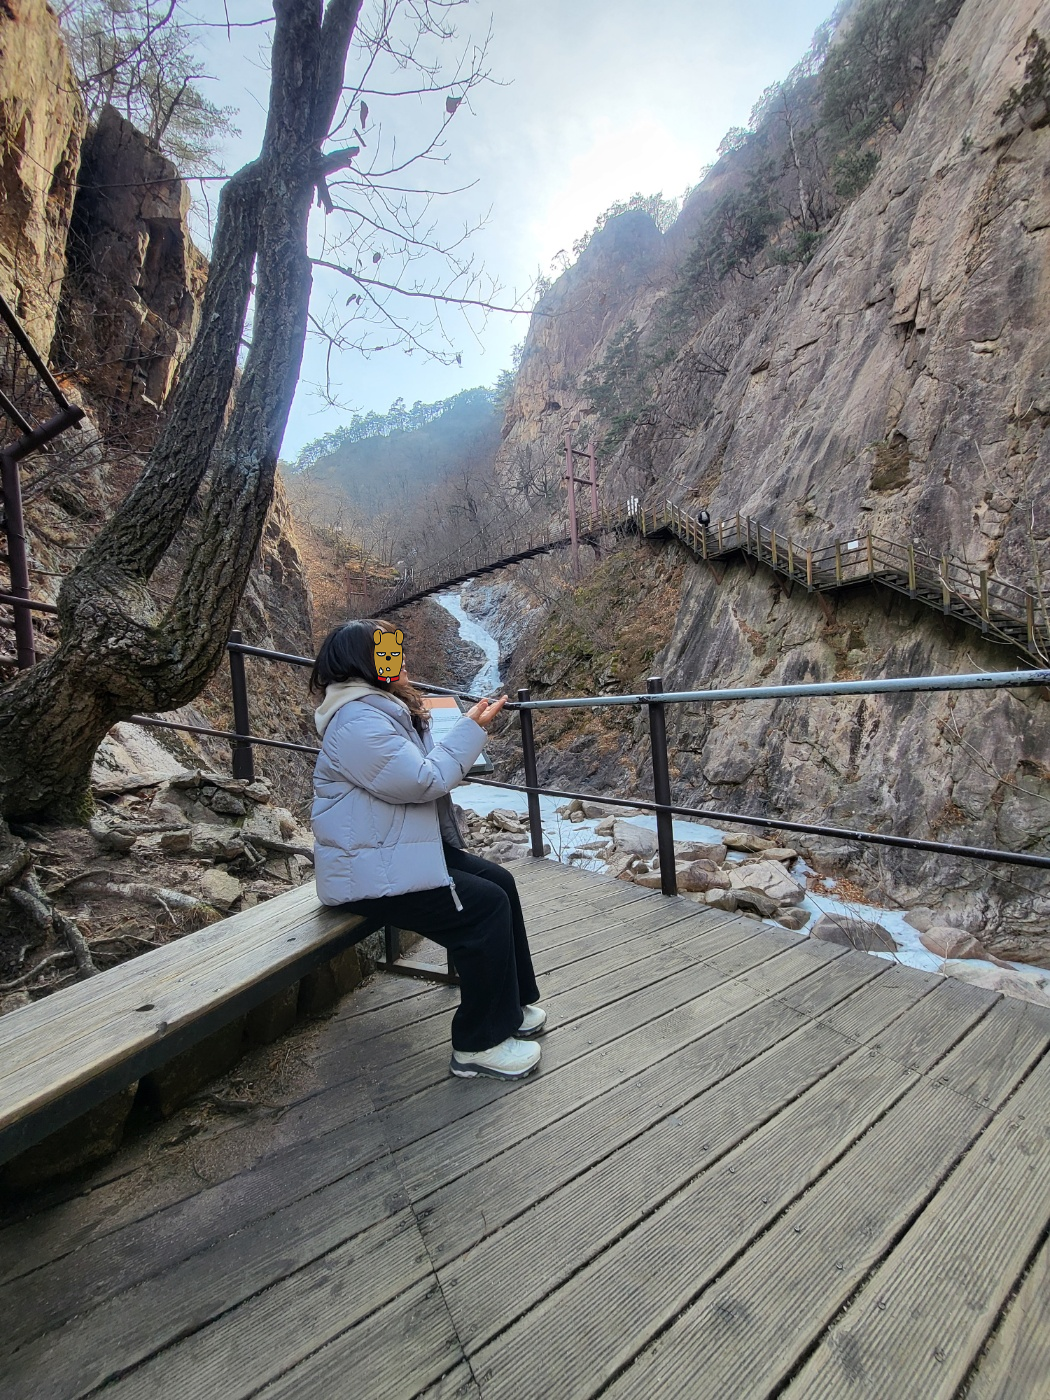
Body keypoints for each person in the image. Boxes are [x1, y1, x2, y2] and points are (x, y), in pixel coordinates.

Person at [309, 619, 545, 1081]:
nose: (398, 659)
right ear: (362, 662)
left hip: (387, 853)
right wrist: (467, 732)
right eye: (386, 651)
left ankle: (510, 1009)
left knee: (500, 881)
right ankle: (479, 1045)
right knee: (483, 908)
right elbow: (421, 780)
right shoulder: (357, 721)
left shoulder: (376, 710)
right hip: (367, 872)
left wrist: (465, 728)